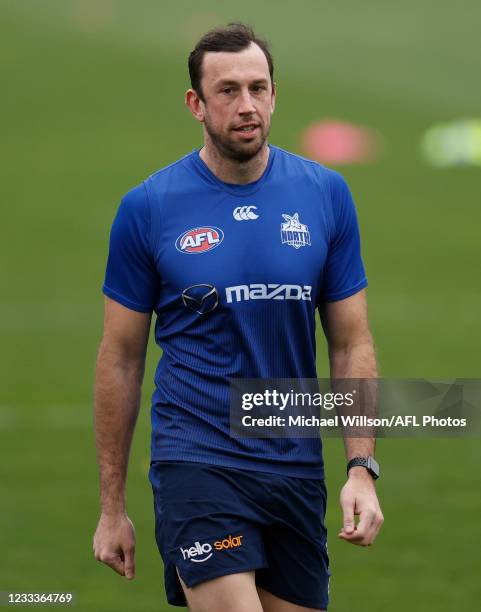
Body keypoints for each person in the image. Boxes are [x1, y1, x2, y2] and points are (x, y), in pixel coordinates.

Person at [93, 22, 384, 612]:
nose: (246, 105)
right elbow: (121, 359)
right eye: (227, 91)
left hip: (295, 468)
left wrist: (361, 468)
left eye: (258, 87)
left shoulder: (326, 194)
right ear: (195, 104)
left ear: (275, 93)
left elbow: (352, 344)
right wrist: (112, 507)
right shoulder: (147, 208)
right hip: (197, 460)